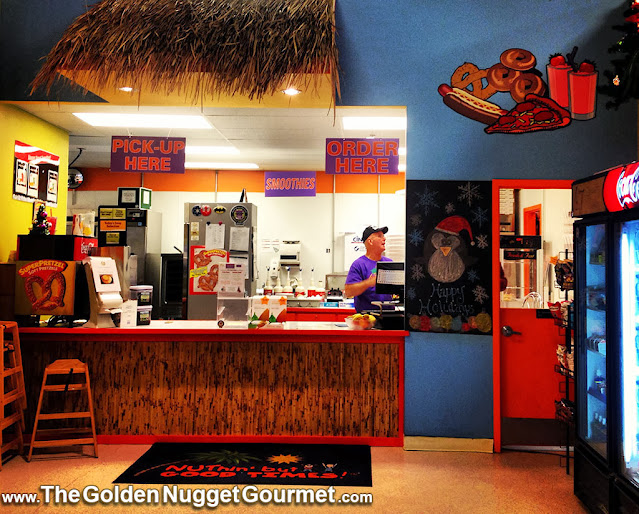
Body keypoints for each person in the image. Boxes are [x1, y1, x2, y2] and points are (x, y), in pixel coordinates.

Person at [345, 226, 393, 312]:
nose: (384, 238)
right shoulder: (358, 264)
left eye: (383, 236)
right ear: (370, 241)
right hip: (367, 319)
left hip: (390, 317)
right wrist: (369, 283)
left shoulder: (389, 263)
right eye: (379, 236)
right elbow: (349, 292)